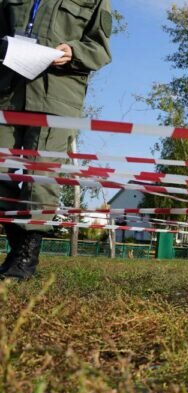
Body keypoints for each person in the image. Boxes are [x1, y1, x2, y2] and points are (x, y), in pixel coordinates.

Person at [0, 0, 113, 280]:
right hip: (7, 91)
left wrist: (74, 51)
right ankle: (18, 250)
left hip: (56, 97)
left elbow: (100, 49)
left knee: (41, 176)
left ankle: (25, 258)